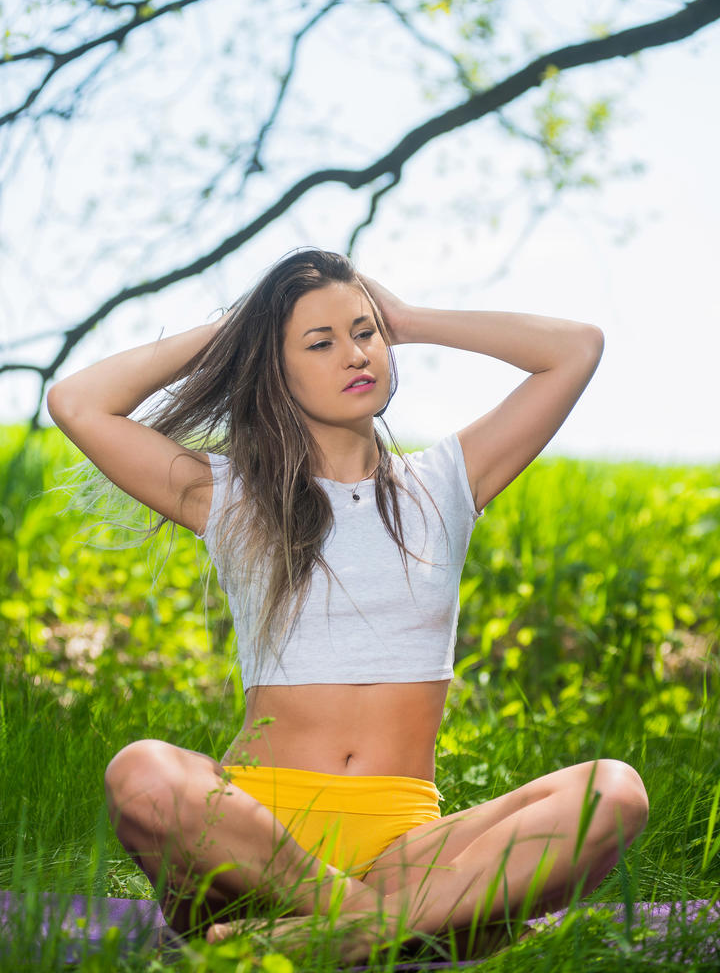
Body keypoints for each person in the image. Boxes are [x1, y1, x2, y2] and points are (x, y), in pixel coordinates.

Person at [47, 248, 648, 961]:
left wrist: (412, 319)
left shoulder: (445, 483)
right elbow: (77, 403)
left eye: (365, 332)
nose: (355, 353)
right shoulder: (232, 496)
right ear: (277, 366)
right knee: (140, 772)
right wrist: (244, 328)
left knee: (615, 793)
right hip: (255, 836)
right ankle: (400, 924)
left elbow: (576, 349)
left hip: (405, 844)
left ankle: (337, 935)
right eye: (321, 342)